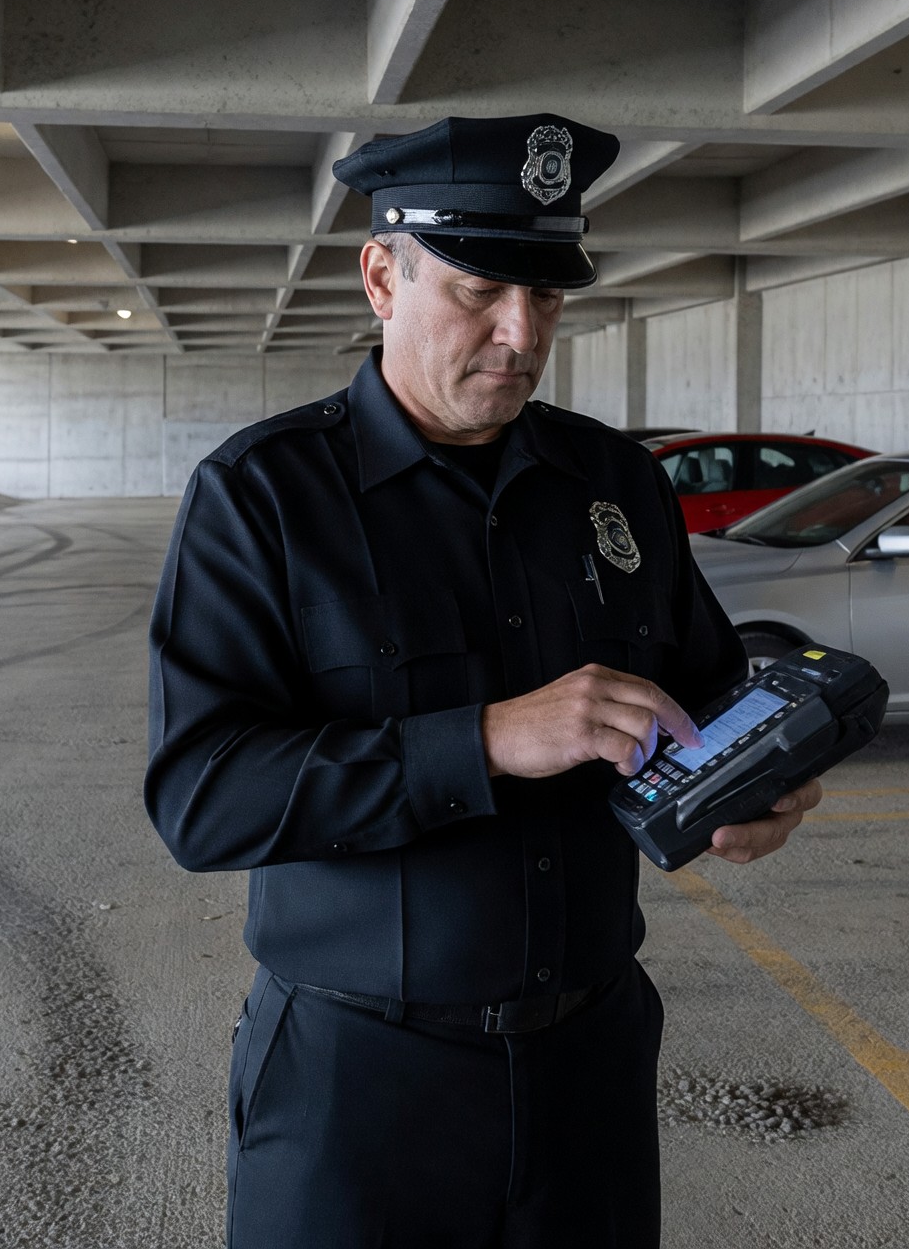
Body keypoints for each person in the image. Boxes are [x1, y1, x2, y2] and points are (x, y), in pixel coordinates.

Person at [145, 114, 824, 1248]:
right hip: (358, 1084)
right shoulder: (262, 497)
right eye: (479, 290)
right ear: (380, 276)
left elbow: (705, 688)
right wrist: (486, 738)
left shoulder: (612, 482)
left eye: (548, 296)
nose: (520, 332)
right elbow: (203, 799)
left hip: (589, 1064)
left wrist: (757, 778)